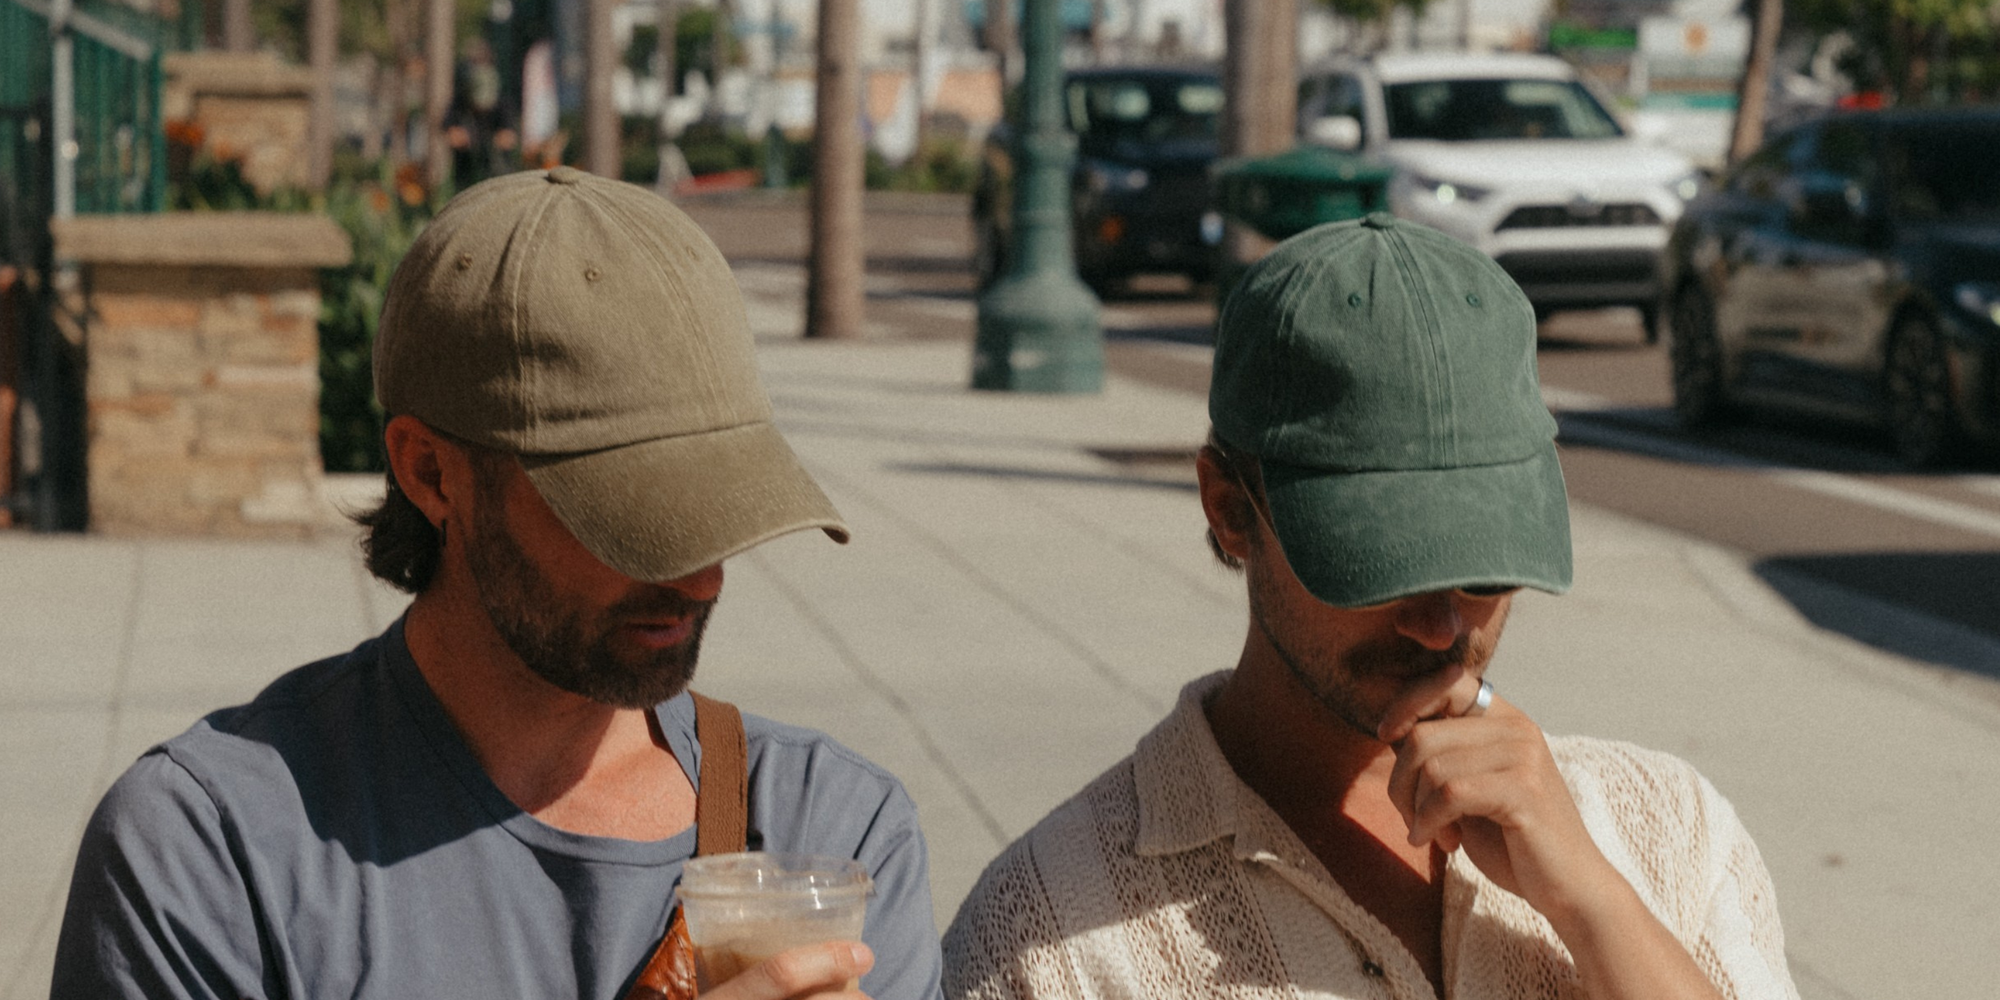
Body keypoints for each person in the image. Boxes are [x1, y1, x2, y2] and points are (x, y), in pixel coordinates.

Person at [52, 167, 944, 1000]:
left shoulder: (830, 840)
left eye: (720, 510)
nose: (699, 572)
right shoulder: (215, 851)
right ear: (431, 472)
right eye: (627, 516)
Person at [942, 214, 1799, 1000]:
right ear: (1231, 510)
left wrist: (1591, 903)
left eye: (1486, 572)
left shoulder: (1669, 830)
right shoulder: (1049, 933)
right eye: (1377, 566)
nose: (1440, 628)